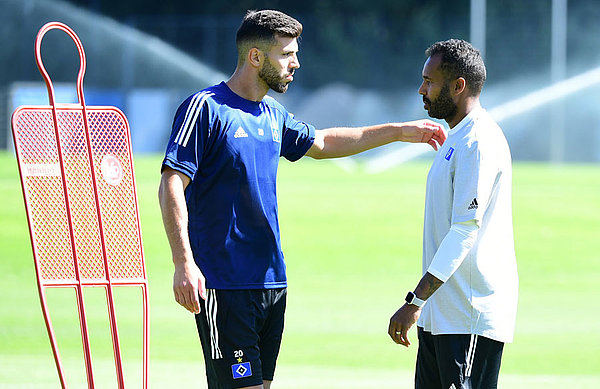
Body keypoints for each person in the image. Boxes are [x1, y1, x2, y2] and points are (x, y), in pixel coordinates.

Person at [159, 9, 446, 389]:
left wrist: (398, 131)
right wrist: (183, 263)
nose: (296, 63)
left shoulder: (274, 114)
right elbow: (171, 184)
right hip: (225, 285)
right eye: (287, 54)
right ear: (256, 57)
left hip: (272, 283)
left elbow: (324, 142)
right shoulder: (206, 108)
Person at [387, 39, 518, 389]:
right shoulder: (457, 139)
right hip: (441, 316)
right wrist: (424, 307)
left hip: (468, 317)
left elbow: (464, 230)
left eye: (430, 81)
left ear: (458, 86)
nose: (421, 89)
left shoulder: (479, 141)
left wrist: (414, 301)